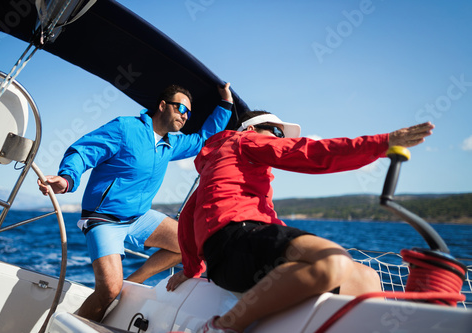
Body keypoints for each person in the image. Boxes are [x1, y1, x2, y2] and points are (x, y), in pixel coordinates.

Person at [166, 110, 435, 333]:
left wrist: (192, 270)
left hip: (231, 261)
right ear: (252, 130)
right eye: (276, 132)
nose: (279, 139)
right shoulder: (241, 141)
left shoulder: (218, 169)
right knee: (331, 260)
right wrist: (381, 143)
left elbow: (189, 218)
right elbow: (311, 152)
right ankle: (222, 327)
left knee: (367, 278)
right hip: (237, 244)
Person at [38, 83, 234, 322]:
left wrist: (226, 104)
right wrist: (68, 178)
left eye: (188, 113)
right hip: (104, 218)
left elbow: (205, 138)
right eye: (181, 107)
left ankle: (132, 283)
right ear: (162, 105)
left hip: (139, 217)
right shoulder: (125, 128)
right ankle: (70, 325)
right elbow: (83, 151)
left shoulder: (170, 144)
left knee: (193, 243)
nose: (185, 115)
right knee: (108, 289)